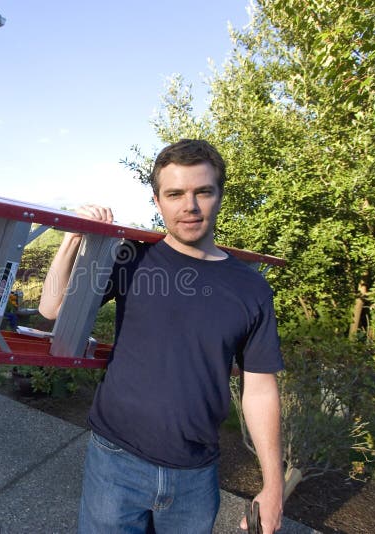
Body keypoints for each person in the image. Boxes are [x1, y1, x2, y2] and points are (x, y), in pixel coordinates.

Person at [38, 139, 285, 533]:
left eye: (202, 191)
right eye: (175, 194)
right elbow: (52, 309)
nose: (189, 206)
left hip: (196, 476)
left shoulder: (250, 288)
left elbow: (260, 388)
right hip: (115, 462)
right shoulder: (132, 257)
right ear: (158, 201)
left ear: (219, 195)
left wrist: (274, 487)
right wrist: (72, 238)